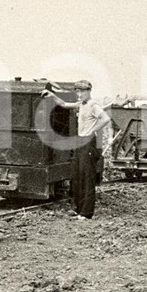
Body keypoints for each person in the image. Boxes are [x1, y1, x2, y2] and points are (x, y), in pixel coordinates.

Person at [42, 81, 111, 220]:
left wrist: (91, 130)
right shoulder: (82, 104)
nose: (79, 95)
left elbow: (105, 119)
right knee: (78, 177)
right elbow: (65, 105)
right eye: (77, 92)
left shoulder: (93, 105)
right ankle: (79, 210)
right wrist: (51, 95)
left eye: (82, 92)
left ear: (89, 91)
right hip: (80, 143)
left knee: (87, 178)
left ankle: (86, 213)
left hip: (88, 143)